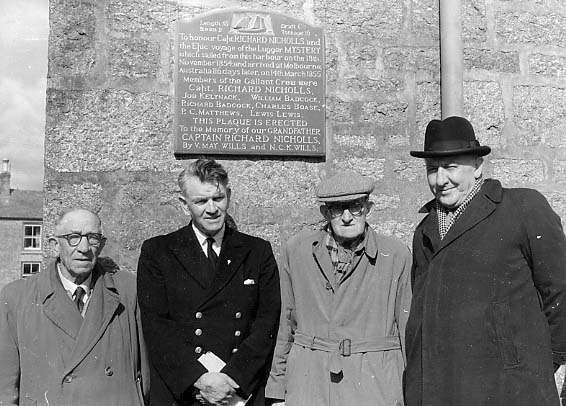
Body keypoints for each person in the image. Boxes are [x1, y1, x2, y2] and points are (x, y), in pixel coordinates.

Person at [404, 116, 566, 406]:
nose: (440, 180)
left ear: (478, 166)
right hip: (446, 390)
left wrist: (541, 361)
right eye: (432, 170)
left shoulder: (522, 208)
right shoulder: (425, 231)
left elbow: (560, 290)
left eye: (451, 167)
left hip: (510, 389)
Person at [137, 158, 281, 406]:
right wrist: (201, 380)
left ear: (229, 196)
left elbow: (267, 322)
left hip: (237, 392)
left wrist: (232, 379)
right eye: (201, 201)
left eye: (218, 198)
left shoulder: (257, 251)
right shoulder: (158, 252)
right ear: (184, 205)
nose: (212, 209)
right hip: (184, 390)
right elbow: (157, 327)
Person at [266, 171, 412, 406]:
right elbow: (286, 323)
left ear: (369, 208)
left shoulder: (396, 255)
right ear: (325, 213)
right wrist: (277, 391)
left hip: (374, 384)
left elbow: (407, 331)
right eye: (337, 209)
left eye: (355, 207)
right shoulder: (297, 251)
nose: (347, 217)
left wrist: (412, 394)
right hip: (311, 382)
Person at [0, 208, 149, 406]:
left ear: (102, 245)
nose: (84, 248)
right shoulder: (17, 297)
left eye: (93, 238)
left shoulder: (129, 291)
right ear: (54, 245)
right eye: (73, 238)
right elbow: (5, 391)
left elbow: (147, 376)